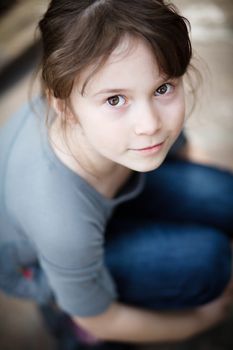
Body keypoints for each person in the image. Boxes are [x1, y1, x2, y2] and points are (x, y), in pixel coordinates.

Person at [0, 0, 233, 348]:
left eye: (163, 88)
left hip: (106, 198)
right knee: (207, 262)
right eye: (114, 100)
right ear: (63, 106)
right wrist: (199, 319)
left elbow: (180, 149)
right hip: (47, 258)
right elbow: (101, 318)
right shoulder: (60, 220)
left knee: (223, 197)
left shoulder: (120, 126)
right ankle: (64, 316)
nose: (150, 125)